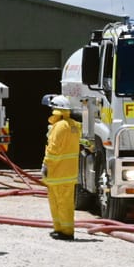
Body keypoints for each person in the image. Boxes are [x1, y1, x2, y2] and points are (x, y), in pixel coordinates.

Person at [42, 94, 81, 241]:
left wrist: (46, 164)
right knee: (60, 203)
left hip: (58, 172)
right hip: (67, 173)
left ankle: (67, 231)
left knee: (61, 203)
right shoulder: (74, 125)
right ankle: (60, 229)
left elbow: (53, 149)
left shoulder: (59, 127)